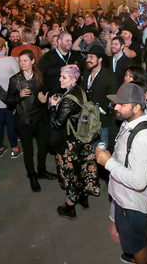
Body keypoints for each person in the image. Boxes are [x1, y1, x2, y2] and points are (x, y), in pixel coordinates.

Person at [96, 83, 147, 264]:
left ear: (137, 107)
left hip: (132, 204)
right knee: (132, 240)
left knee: (137, 243)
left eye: (121, 104)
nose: (115, 107)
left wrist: (108, 163)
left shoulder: (143, 138)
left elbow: (139, 182)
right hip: (123, 196)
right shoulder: (134, 119)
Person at [48, 65, 100, 218]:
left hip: (70, 143)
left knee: (70, 174)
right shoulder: (81, 90)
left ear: (73, 79)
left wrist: (52, 107)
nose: (60, 79)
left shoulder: (68, 100)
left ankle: (70, 207)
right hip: (83, 139)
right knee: (83, 170)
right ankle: (83, 198)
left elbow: (57, 123)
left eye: (63, 77)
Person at [6, 49, 58, 191]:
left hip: (40, 119)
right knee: (28, 151)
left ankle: (41, 171)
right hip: (23, 121)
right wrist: (19, 96)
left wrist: (44, 99)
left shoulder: (40, 76)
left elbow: (44, 94)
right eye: (20, 61)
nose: (22, 63)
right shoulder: (15, 79)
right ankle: (32, 176)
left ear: (32, 61)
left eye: (25, 60)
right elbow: (8, 101)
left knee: (43, 148)